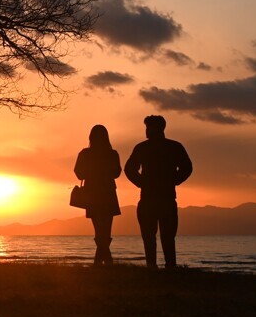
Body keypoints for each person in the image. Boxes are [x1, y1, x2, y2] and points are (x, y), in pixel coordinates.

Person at [124, 115, 193, 269]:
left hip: (160, 198)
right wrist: (142, 182)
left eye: (149, 127)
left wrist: (172, 180)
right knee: (157, 236)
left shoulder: (167, 147)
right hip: (155, 198)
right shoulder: (152, 147)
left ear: (159, 128)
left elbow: (187, 168)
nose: (147, 131)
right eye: (146, 127)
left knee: (161, 237)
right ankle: (158, 267)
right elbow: (129, 169)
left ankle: (163, 267)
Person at [74, 125, 122, 266]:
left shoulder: (85, 153)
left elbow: (78, 173)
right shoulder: (112, 154)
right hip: (108, 193)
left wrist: (91, 173)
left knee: (99, 230)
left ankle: (101, 262)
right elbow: (117, 173)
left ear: (91, 137)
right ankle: (105, 262)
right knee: (105, 230)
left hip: (92, 194)